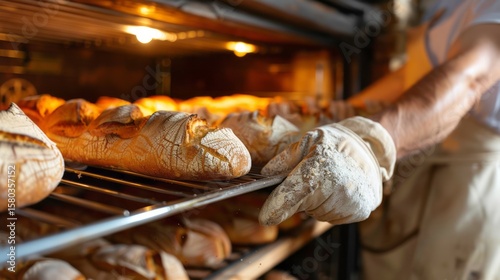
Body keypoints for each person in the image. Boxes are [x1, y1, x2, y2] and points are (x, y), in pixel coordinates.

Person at [258, 0, 500, 279]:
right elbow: (412, 77)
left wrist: (370, 142)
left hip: (464, 187)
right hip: (419, 168)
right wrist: (339, 116)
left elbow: (471, 76)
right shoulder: (444, 4)